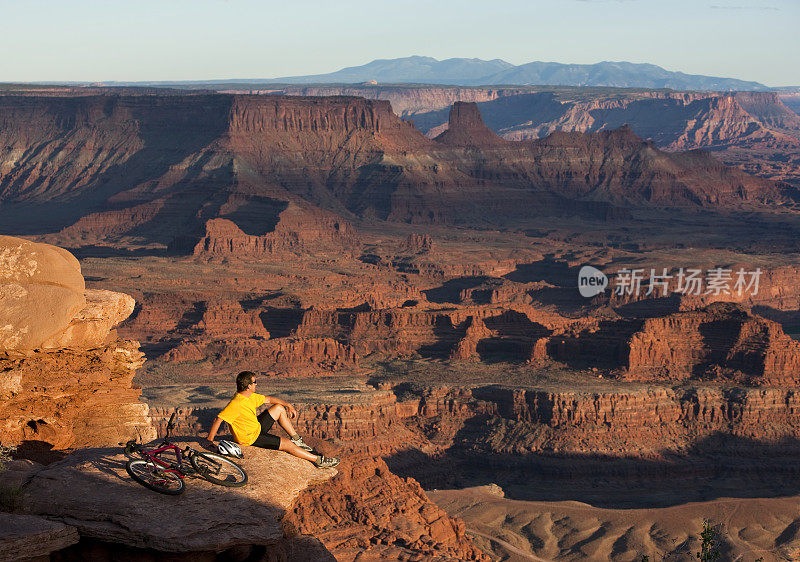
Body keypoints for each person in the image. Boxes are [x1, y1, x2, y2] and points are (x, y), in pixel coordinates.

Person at [206, 370, 339, 468]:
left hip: (256, 427)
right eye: (254, 382)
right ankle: (318, 460)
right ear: (248, 386)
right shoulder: (237, 404)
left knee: (278, 408)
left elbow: (269, 399)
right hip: (250, 438)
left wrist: (288, 405)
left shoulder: (249, 396)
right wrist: (209, 440)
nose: (256, 384)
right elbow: (218, 419)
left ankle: (297, 440)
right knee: (287, 444)